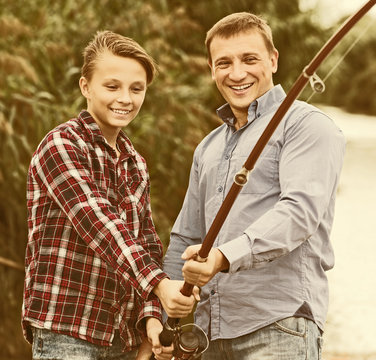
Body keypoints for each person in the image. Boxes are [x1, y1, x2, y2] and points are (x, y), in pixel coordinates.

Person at [163, 12, 345, 359]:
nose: (237, 73)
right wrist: (160, 313)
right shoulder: (207, 147)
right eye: (224, 63)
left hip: (280, 327)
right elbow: (185, 238)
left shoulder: (308, 127)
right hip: (207, 335)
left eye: (249, 59)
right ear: (211, 69)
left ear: (273, 60)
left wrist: (222, 256)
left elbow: (299, 213)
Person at [22, 30, 198, 360]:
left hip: (122, 342)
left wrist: (151, 318)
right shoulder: (61, 145)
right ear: (85, 86)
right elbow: (100, 224)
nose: (125, 99)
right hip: (66, 332)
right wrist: (160, 285)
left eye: (137, 89)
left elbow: (146, 243)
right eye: (112, 86)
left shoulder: (136, 163)